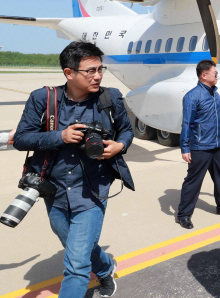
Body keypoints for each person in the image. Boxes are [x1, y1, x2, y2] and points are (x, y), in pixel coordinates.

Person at [14, 41, 135, 298]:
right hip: (53, 190)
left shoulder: (110, 97)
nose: (98, 76)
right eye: (90, 71)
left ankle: (93, 274)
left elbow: (126, 130)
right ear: (69, 73)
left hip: (92, 190)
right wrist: (61, 136)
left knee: (76, 265)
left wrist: (120, 145)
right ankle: (104, 269)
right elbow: (22, 138)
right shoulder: (43, 98)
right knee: (74, 244)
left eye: (100, 69)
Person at [176, 59, 220, 229]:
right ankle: (183, 215)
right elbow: (187, 124)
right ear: (204, 75)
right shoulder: (192, 96)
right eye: (215, 73)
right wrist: (185, 148)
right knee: (193, 182)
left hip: (217, 145)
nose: (217, 76)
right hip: (200, 147)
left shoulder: (215, 94)